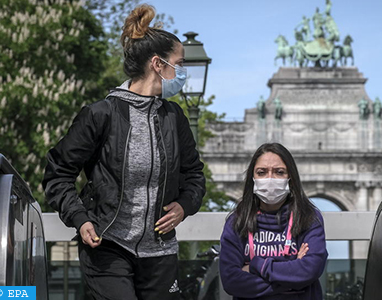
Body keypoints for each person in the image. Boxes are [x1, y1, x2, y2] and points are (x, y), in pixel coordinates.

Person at [42, 4, 205, 300]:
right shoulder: (99, 115)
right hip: (106, 247)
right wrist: (80, 218)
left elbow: (194, 176)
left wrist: (184, 205)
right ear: (158, 64)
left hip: (160, 253)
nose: (182, 72)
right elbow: (57, 175)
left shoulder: (174, 117)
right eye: (179, 64)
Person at [220, 143, 328, 299]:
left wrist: (256, 266)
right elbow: (231, 281)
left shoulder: (309, 218)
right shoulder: (236, 221)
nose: (270, 178)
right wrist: (292, 276)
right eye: (262, 172)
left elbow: (309, 270)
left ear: (290, 177)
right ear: (253, 178)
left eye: (279, 172)